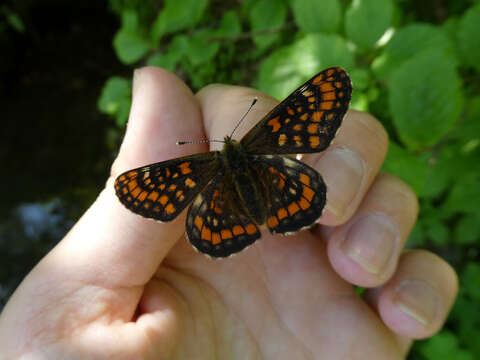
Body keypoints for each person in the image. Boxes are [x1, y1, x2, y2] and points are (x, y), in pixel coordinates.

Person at [0, 67, 458, 359]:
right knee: (313, 188)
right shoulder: (259, 137)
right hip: (278, 182)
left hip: (224, 208)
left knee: (328, 186)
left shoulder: (191, 165)